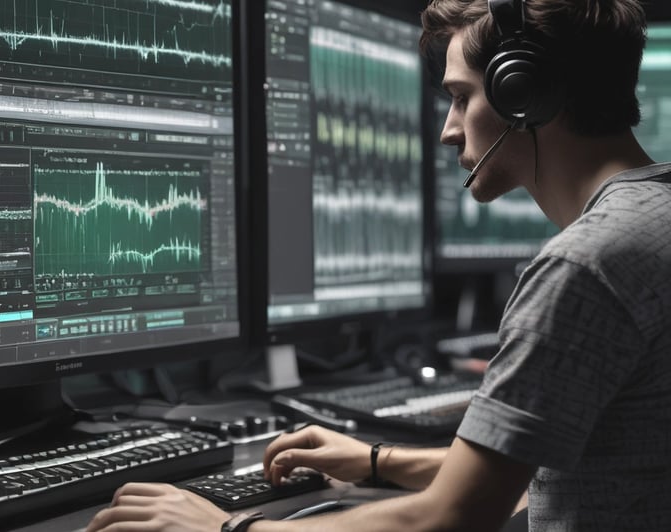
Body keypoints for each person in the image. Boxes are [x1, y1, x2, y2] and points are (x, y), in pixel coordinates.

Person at [85, 0, 671, 530]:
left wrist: (227, 529)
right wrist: (375, 460)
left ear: (526, 94)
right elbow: (540, 467)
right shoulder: (654, 217)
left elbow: (451, 517)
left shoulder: (584, 265)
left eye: (462, 97)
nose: (447, 129)